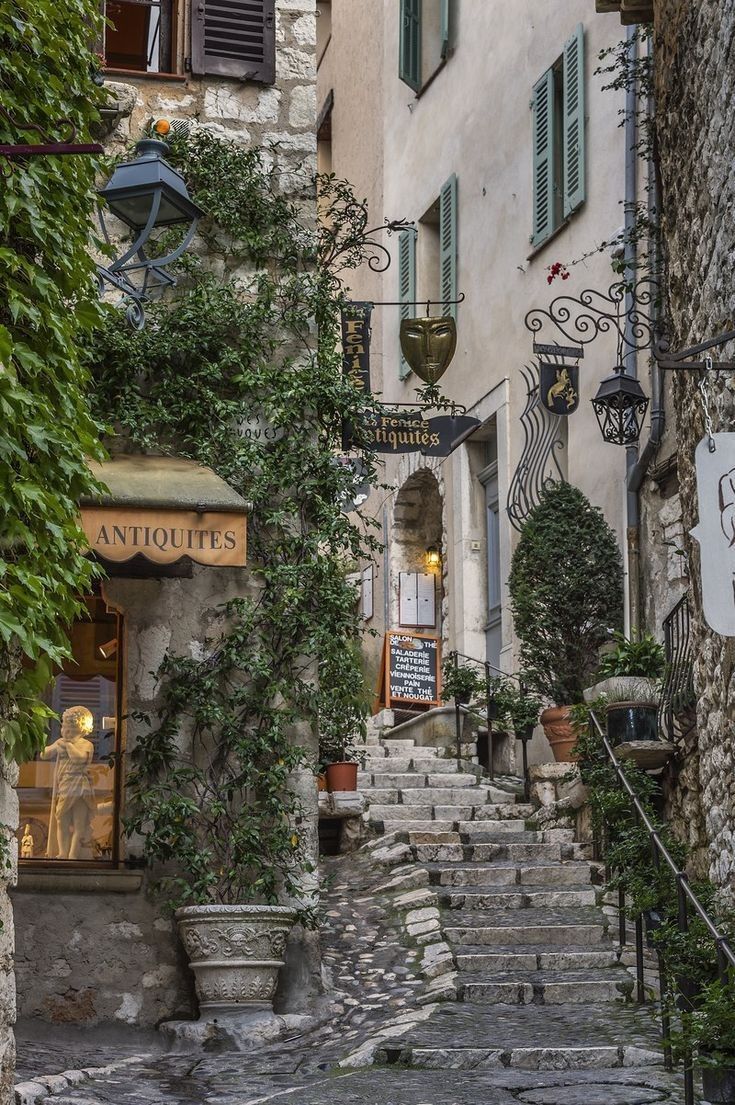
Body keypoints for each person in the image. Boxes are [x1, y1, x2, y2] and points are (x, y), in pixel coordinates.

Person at [42, 706, 96, 860]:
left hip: (80, 788)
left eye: (68, 727)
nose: (64, 730)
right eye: (64, 726)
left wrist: (68, 745)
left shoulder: (86, 744)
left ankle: (73, 855)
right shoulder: (61, 743)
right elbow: (44, 754)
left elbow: (79, 759)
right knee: (61, 821)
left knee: (80, 824)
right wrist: (52, 746)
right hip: (64, 787)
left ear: (80, 728)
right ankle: (63, 853)